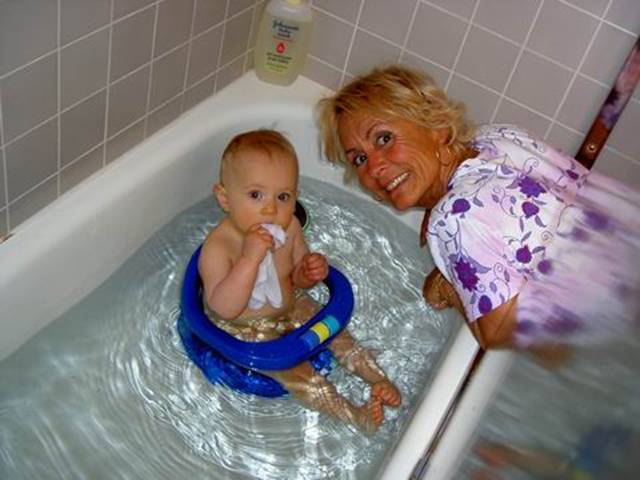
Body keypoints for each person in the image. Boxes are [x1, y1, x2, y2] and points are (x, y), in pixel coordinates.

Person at [316, 65, 640, 354]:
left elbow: (498, 334)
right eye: (359, 158)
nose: (374, 167)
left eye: (384, 138)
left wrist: (448, 287)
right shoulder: (497, 137)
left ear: (437, 128)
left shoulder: (453, 219)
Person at [198, 129, 401, 433]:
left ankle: (377, 378)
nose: (271, 209)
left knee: (337, 334)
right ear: (225, 198)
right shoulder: (219, 247)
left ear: (295, 198)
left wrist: (307, 272)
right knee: (298, 373)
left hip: (290, 305)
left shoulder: (290, 227)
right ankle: (354, 415)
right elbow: (223, 308)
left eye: (283, 197)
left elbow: (296, 277)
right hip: (246, 329)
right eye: (255, 195)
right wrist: (249, 259)